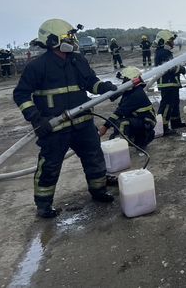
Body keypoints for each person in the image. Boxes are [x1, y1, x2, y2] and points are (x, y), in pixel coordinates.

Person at [13, 19, 119, 218]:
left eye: (72, 36)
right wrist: (36, 119)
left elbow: (90, 82)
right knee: (50, 166)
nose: (72, 40)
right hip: (55, 127)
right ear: (52, 40)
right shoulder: (37, 66)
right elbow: (21, 94)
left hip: (82, 122)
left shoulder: (78, 60)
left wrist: (104, 88)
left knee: (94, 157)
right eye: (68, 36)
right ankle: (44, 205)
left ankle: (98, 190)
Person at [98, 66, 156, 150]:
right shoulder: (132, 91)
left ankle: (120, 148)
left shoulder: (135, 95)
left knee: (121, 123)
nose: (123, 83)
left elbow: (119, 112)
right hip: (142, 121)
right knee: (121, 121)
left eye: (125, 80)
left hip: (147, 122)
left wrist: (105, 127)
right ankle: (140, 140)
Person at [154, 30, 186, 135]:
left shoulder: (166, 52)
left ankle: (176, 122)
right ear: (163, 42)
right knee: (167, 105)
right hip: (167, 83)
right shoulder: (162, 53)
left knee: (174, 103)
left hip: (172, 83)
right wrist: (180, 69)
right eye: (170, 41)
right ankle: (163, 127)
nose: (173, 42)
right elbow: (170, 68)